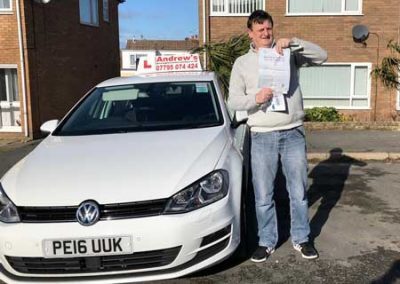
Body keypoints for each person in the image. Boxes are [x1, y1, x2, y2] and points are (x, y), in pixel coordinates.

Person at [228, 10, 327, 262]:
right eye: (260, 30)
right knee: (262, 195)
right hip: (261, 135)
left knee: (299, 191)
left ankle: (302, 238)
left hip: (292, 131)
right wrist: (255, 99)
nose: (265, 34)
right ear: (250, 32)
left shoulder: (288, 53)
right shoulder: (242, 63)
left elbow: (322, 56)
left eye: (269, 29)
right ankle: (266, 241)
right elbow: (233, 101)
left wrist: (294, 41)